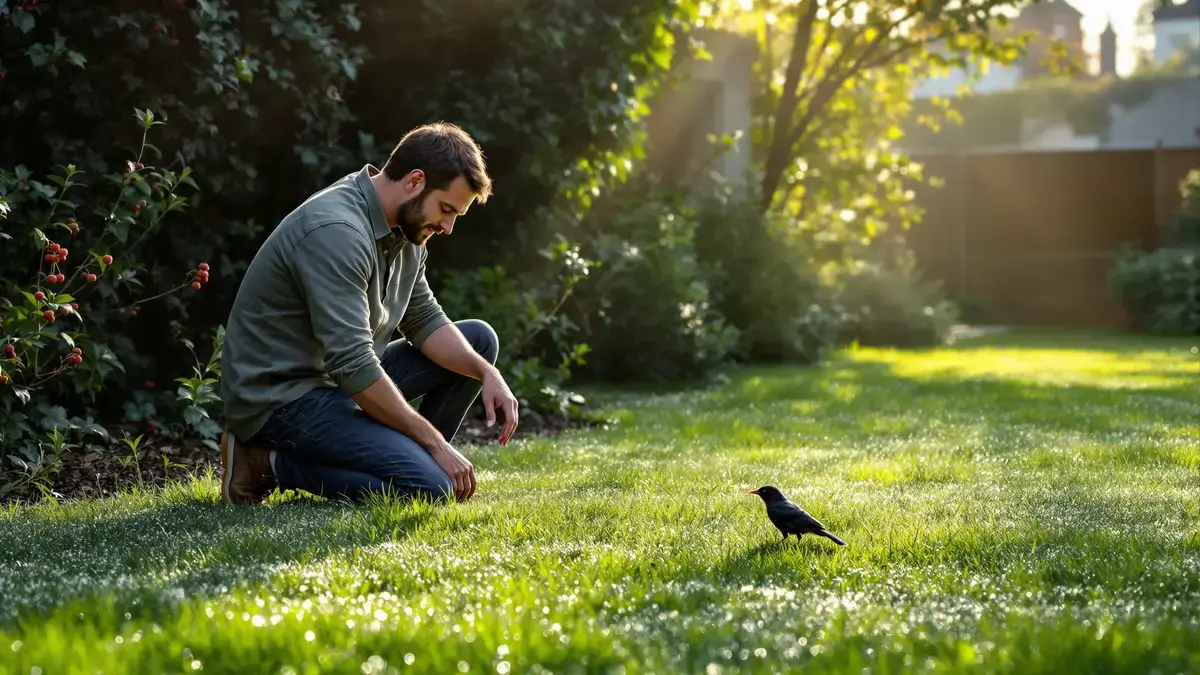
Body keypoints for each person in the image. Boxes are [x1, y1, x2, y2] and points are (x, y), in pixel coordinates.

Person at [217, 122, 519, 507]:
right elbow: (352, 363)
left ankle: (418, 461)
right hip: (283, 398)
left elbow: (424, 319)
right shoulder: (337, 230)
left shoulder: (406, 228)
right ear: (414, 181)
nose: (448, 227)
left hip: (338, 384)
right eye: (446, 209)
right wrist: (434, 442)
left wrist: (486, 372)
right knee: (429, 489)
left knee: (478, 342)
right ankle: (263, 462)